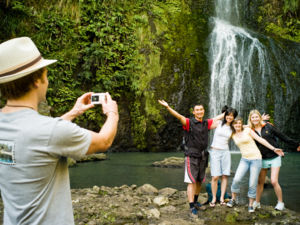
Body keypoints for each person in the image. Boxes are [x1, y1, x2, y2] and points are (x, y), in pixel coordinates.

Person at [0, 37, 119, 225]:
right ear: (37, 80)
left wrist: (73, 112)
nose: (47, 79)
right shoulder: (50, 132)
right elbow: (104, 141)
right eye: (46, 74)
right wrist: (112, 112)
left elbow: (34, 137)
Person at [158, 100, 223, 217]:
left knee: (199, 181)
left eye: (201, 110)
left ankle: (196, 201)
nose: (199, 112)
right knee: (191, 181)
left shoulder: (205, 123)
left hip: (203, 156)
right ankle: (191, 205)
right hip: (191, 156)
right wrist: (168, 107)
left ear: (203, 111)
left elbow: (216, 118)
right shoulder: (189, 122)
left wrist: (226, 113)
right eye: (197, 110)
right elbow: (179, 116)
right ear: (193, 112)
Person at [226, 117, 284, 213]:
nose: (238, 125)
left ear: (242, 124)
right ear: (233, 125)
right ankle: (233, 199)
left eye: (239, 123)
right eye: (235, 124)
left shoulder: (248, 130)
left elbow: (261, 140)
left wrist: (274, 149)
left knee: (252, 183)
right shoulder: (232, 134)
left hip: (256, 159)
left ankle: (250, 204)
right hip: (244, 159)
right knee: (236, 179)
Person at [248, 110, 300, 211]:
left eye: (257, 117)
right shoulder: (250, 130)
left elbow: (282, 136)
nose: (255, 119)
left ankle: (280, 202)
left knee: (274, 181)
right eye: (253, 117)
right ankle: (257, 203)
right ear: (250, 119)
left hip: (275, 156)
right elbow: (239, 125)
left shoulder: (268, 126)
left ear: (259, 117)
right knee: (260, 182)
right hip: (262, 158)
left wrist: (296, 144)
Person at [209, 106, 238, 207]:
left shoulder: (233, 127)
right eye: (228, 115)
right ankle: (213, 197)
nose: (229, 117)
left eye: (232, 116)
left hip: (225, 152)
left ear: (234, 117)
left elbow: (246, 126)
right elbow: (210, 121)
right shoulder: (218, 123)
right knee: (215, 176)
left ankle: (221, 197)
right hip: (215, 151)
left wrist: (263, 122)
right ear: (225, 115)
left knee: (225, 175)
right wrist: (224, 114)